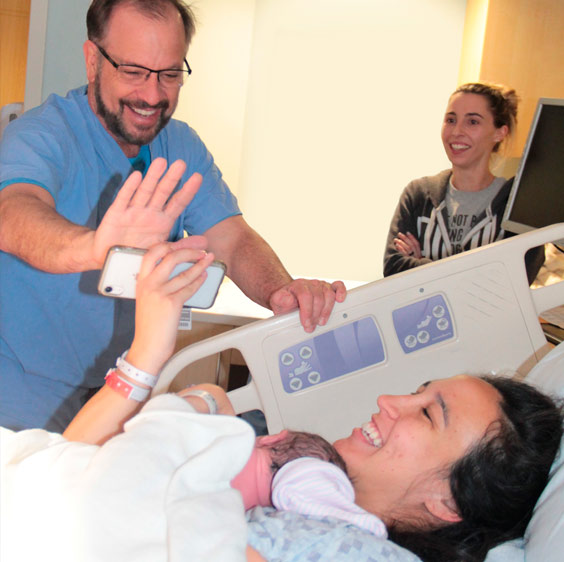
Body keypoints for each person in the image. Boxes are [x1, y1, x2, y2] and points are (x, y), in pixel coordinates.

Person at [57, 240, 562, 562]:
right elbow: (72, 474)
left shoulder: (350, 551)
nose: (388, 400)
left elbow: (95, 505)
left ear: (448, 502)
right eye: (416, 392)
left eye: (428, 414)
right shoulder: (307, 471)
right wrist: (156, 362)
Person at [0, 0, 346, 432]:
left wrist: (279, 291)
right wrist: (92, 248)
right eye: (134, 71)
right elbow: (12, 212)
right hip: (18, 402)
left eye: (169, 74)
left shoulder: (180, 146)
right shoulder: (42, 135)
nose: (152, 94)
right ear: (93, 61)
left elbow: (232, 239)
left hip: (120, 390)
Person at [383, 81, 545, 282]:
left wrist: (420, 264)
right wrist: (476, 273)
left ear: (499, 132)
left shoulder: (517, 205)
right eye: (451, 120)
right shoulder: (418, 194)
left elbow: (514, 281)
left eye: (473, 122)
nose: (456, 131)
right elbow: (393, 269)